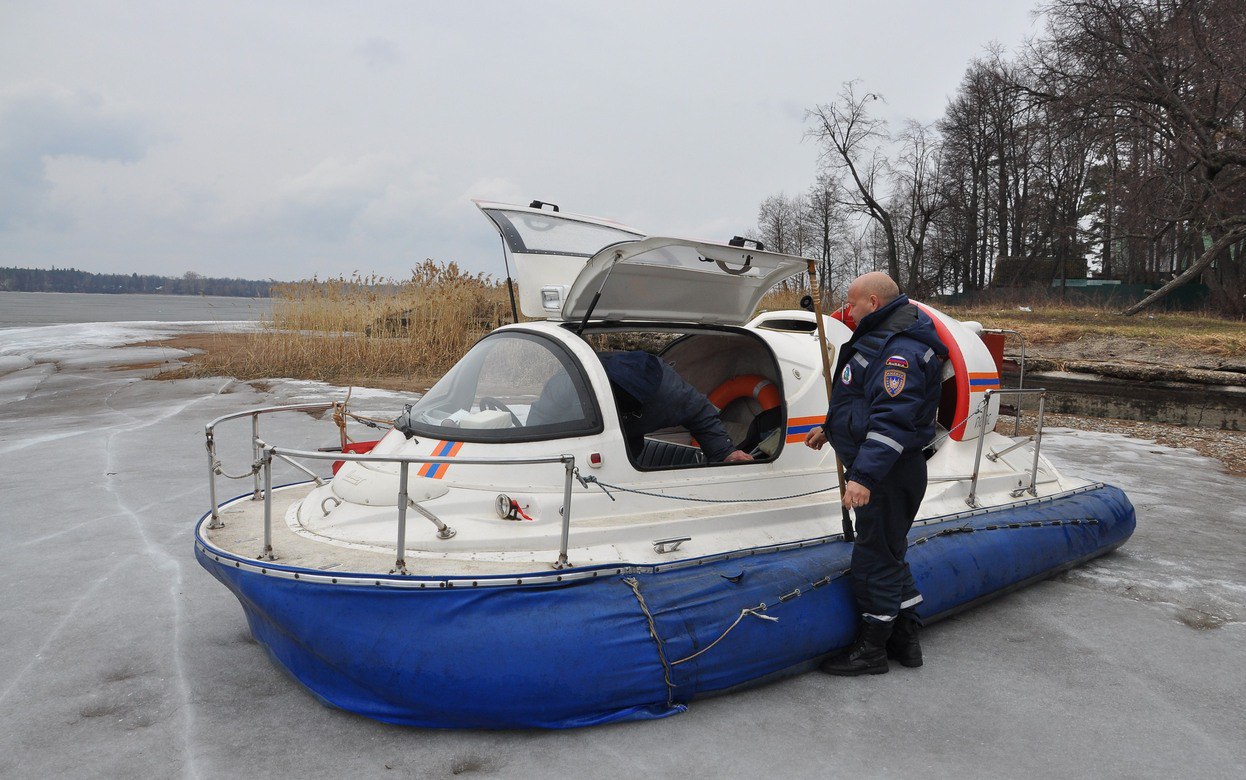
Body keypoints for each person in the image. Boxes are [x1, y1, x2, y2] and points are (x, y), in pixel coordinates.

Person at [805, 272, 947, 674]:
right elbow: (863, 404)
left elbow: (892, 422)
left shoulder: (898, 351)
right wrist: (829, 430)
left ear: (872, 301)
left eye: (851, 304)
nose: (847, 311)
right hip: (886, 469)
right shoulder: (884, 338)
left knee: (873, 561)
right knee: (889, 552)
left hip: (888, 473)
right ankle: (906, 640)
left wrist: (863, 477)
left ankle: (871, 650)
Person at [600, 351, 753, 464]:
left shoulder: (669, 394)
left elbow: (700, 412)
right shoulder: (586, 376)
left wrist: (725, 453)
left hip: (629, 439)